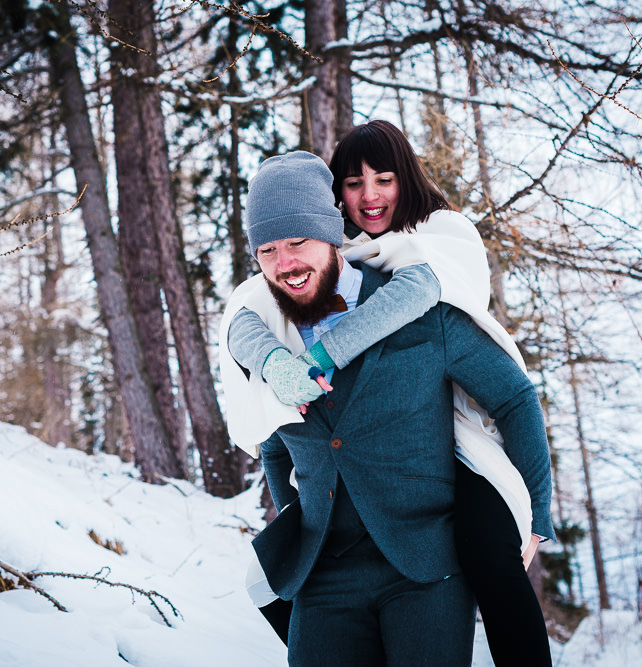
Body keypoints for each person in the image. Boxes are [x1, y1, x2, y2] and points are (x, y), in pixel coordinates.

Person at [219, 148, 553, 666]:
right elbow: (272, 440)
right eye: (267, 250)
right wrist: (295, 512)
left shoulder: (420, 306)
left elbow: (514, 397)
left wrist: (537, 513)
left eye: (298, 242)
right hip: (322, 578)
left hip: (425, 571)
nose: (284, 263)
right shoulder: (265, 328)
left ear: (332, 233)